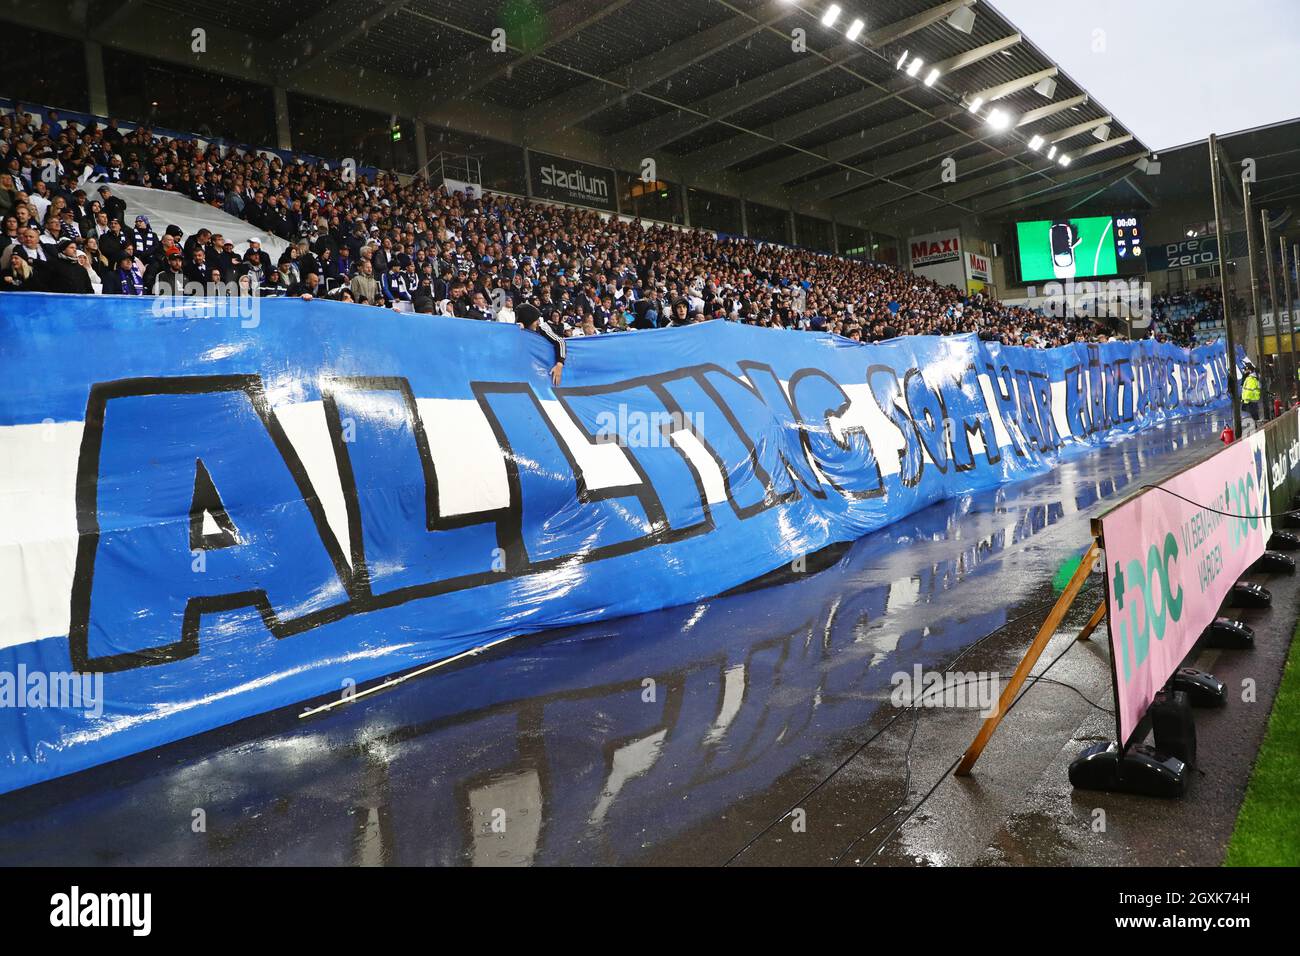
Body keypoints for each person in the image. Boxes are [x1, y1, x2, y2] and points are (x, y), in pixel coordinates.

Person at [516, 302, 566, 386]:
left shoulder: (541, 330)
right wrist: (515, 329)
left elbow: (560, 341)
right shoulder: (516, 330)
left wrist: (560, 364)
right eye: (536, 320)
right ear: (528, 320)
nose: (538, 323)